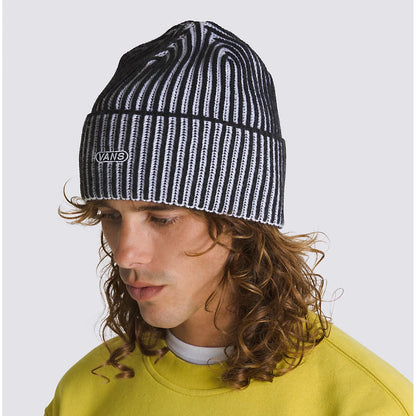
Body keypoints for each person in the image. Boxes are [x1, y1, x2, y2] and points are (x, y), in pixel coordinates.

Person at [45, 21, 412, 415]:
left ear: (242, 219)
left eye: (161, 218)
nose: (125, 254)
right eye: (110, 215)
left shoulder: (366, 403)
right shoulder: (84, 395)